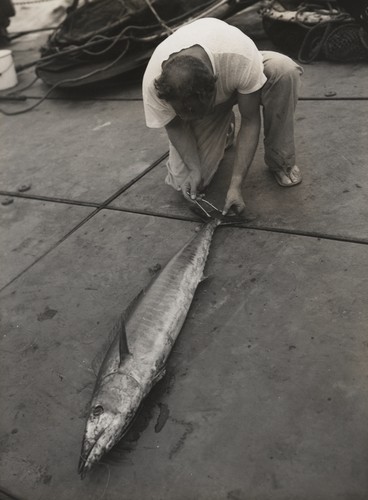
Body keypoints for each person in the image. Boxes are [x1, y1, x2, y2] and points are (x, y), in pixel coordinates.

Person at [142, 17, 303, 215]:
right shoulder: (154, 84)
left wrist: (236, 185)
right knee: (186, 182)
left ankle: (282, 160)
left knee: (283, 70)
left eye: (191, 112)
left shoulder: (238, 56)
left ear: (212, 93)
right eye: (181, 111)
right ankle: (225, 130)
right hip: (208, 94)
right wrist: (194, 169)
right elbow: (175, 126)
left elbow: (250, 120)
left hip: (235, 72)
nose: (186, 118)